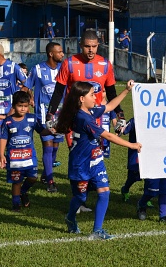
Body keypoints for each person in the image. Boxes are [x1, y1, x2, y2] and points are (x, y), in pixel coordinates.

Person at [55, 80, 140, 240]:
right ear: (81, 99)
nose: (96, 97)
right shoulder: (83, 118)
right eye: (92, 95)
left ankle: (97, 230)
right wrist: (132, 145)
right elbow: (107, 135)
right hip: (80, 164)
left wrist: (126, 91)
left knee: (104, 192)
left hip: (95, 161)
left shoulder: (90, 112)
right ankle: (70, 217)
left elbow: (109, 107)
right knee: (81, 197)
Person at [23, 42, 65, 193]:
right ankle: (50, 181)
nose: (62, 54)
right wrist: (31, 99)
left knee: (54, 148)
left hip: (61, 114)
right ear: (51, 54)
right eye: (59, 52)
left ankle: (45, 175)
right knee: (47, 147)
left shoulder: (63, 69)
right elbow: (26, 87)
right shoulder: (37, 69)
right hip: (43, 114)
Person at [0, 91, 48, 211]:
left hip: (29, 156)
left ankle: (23, 192)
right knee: (16, 181)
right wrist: (1, 154)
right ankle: (15, 203)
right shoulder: (8, 121)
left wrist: (51, 130)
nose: (23, 109)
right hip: (14, 157)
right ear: (14, 106)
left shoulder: (32, 119)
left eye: (25, 106)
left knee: (33, 177)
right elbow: (3, 138)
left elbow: (42, 131)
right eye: (20, 106)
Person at [0, 43, 27, 165]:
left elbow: (26, 82)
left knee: (12, 131)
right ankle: (0, 156)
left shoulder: (14, 67)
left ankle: (11, 154)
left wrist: (19, 99)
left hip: (10, 108)